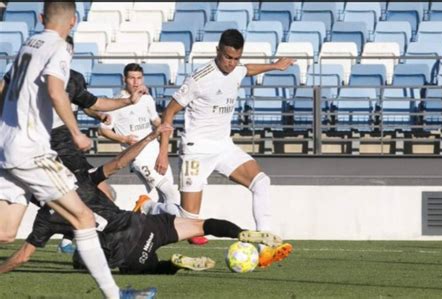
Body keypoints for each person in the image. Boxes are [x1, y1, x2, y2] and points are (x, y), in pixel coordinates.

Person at [0, 3, 154, 298]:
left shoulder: (27, 46)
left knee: (6, 232)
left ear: (42, 18)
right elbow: (57, 92)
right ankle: (115, 295)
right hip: (30, 150)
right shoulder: (58, 47)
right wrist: (76, 132)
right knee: (83, 218)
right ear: (73, 21)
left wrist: (127, 102)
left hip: (6, 147)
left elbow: (3, 89)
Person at [0, 126, 284, 275]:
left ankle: (172, 264)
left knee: (135, 264)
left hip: (124, 252)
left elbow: (23, 256)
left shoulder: (46, 215)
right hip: (144, 223)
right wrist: (150, 137)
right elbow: (119, 161)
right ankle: (239, 232)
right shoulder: (83, 182)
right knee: (201, 224)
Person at [153, 28, 293, 266]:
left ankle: (266, 246)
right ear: (218, 51)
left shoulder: (237, 69)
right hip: (196, 150)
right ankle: (150, 208)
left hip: (223, 146)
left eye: (236, 58)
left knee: (261, 182)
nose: (231, 63)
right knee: (188, 219)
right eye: (227, 57)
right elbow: (170, 111)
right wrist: (163, 151)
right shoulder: (199, 78)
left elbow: (247, 70)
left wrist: (275, 65)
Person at [99, 63, 179, 208]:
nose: (136, 82)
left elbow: (155, 120)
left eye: (139, 78)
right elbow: (103, 130)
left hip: (155, 150)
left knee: (169, 198)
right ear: (124, 79)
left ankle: (158, 226)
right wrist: (123, 139)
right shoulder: (116, 102)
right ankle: (144, 206)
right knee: (170, 193)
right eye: (132, 78)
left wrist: (165, 125)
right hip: (137, 156)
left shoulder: (147, 99)